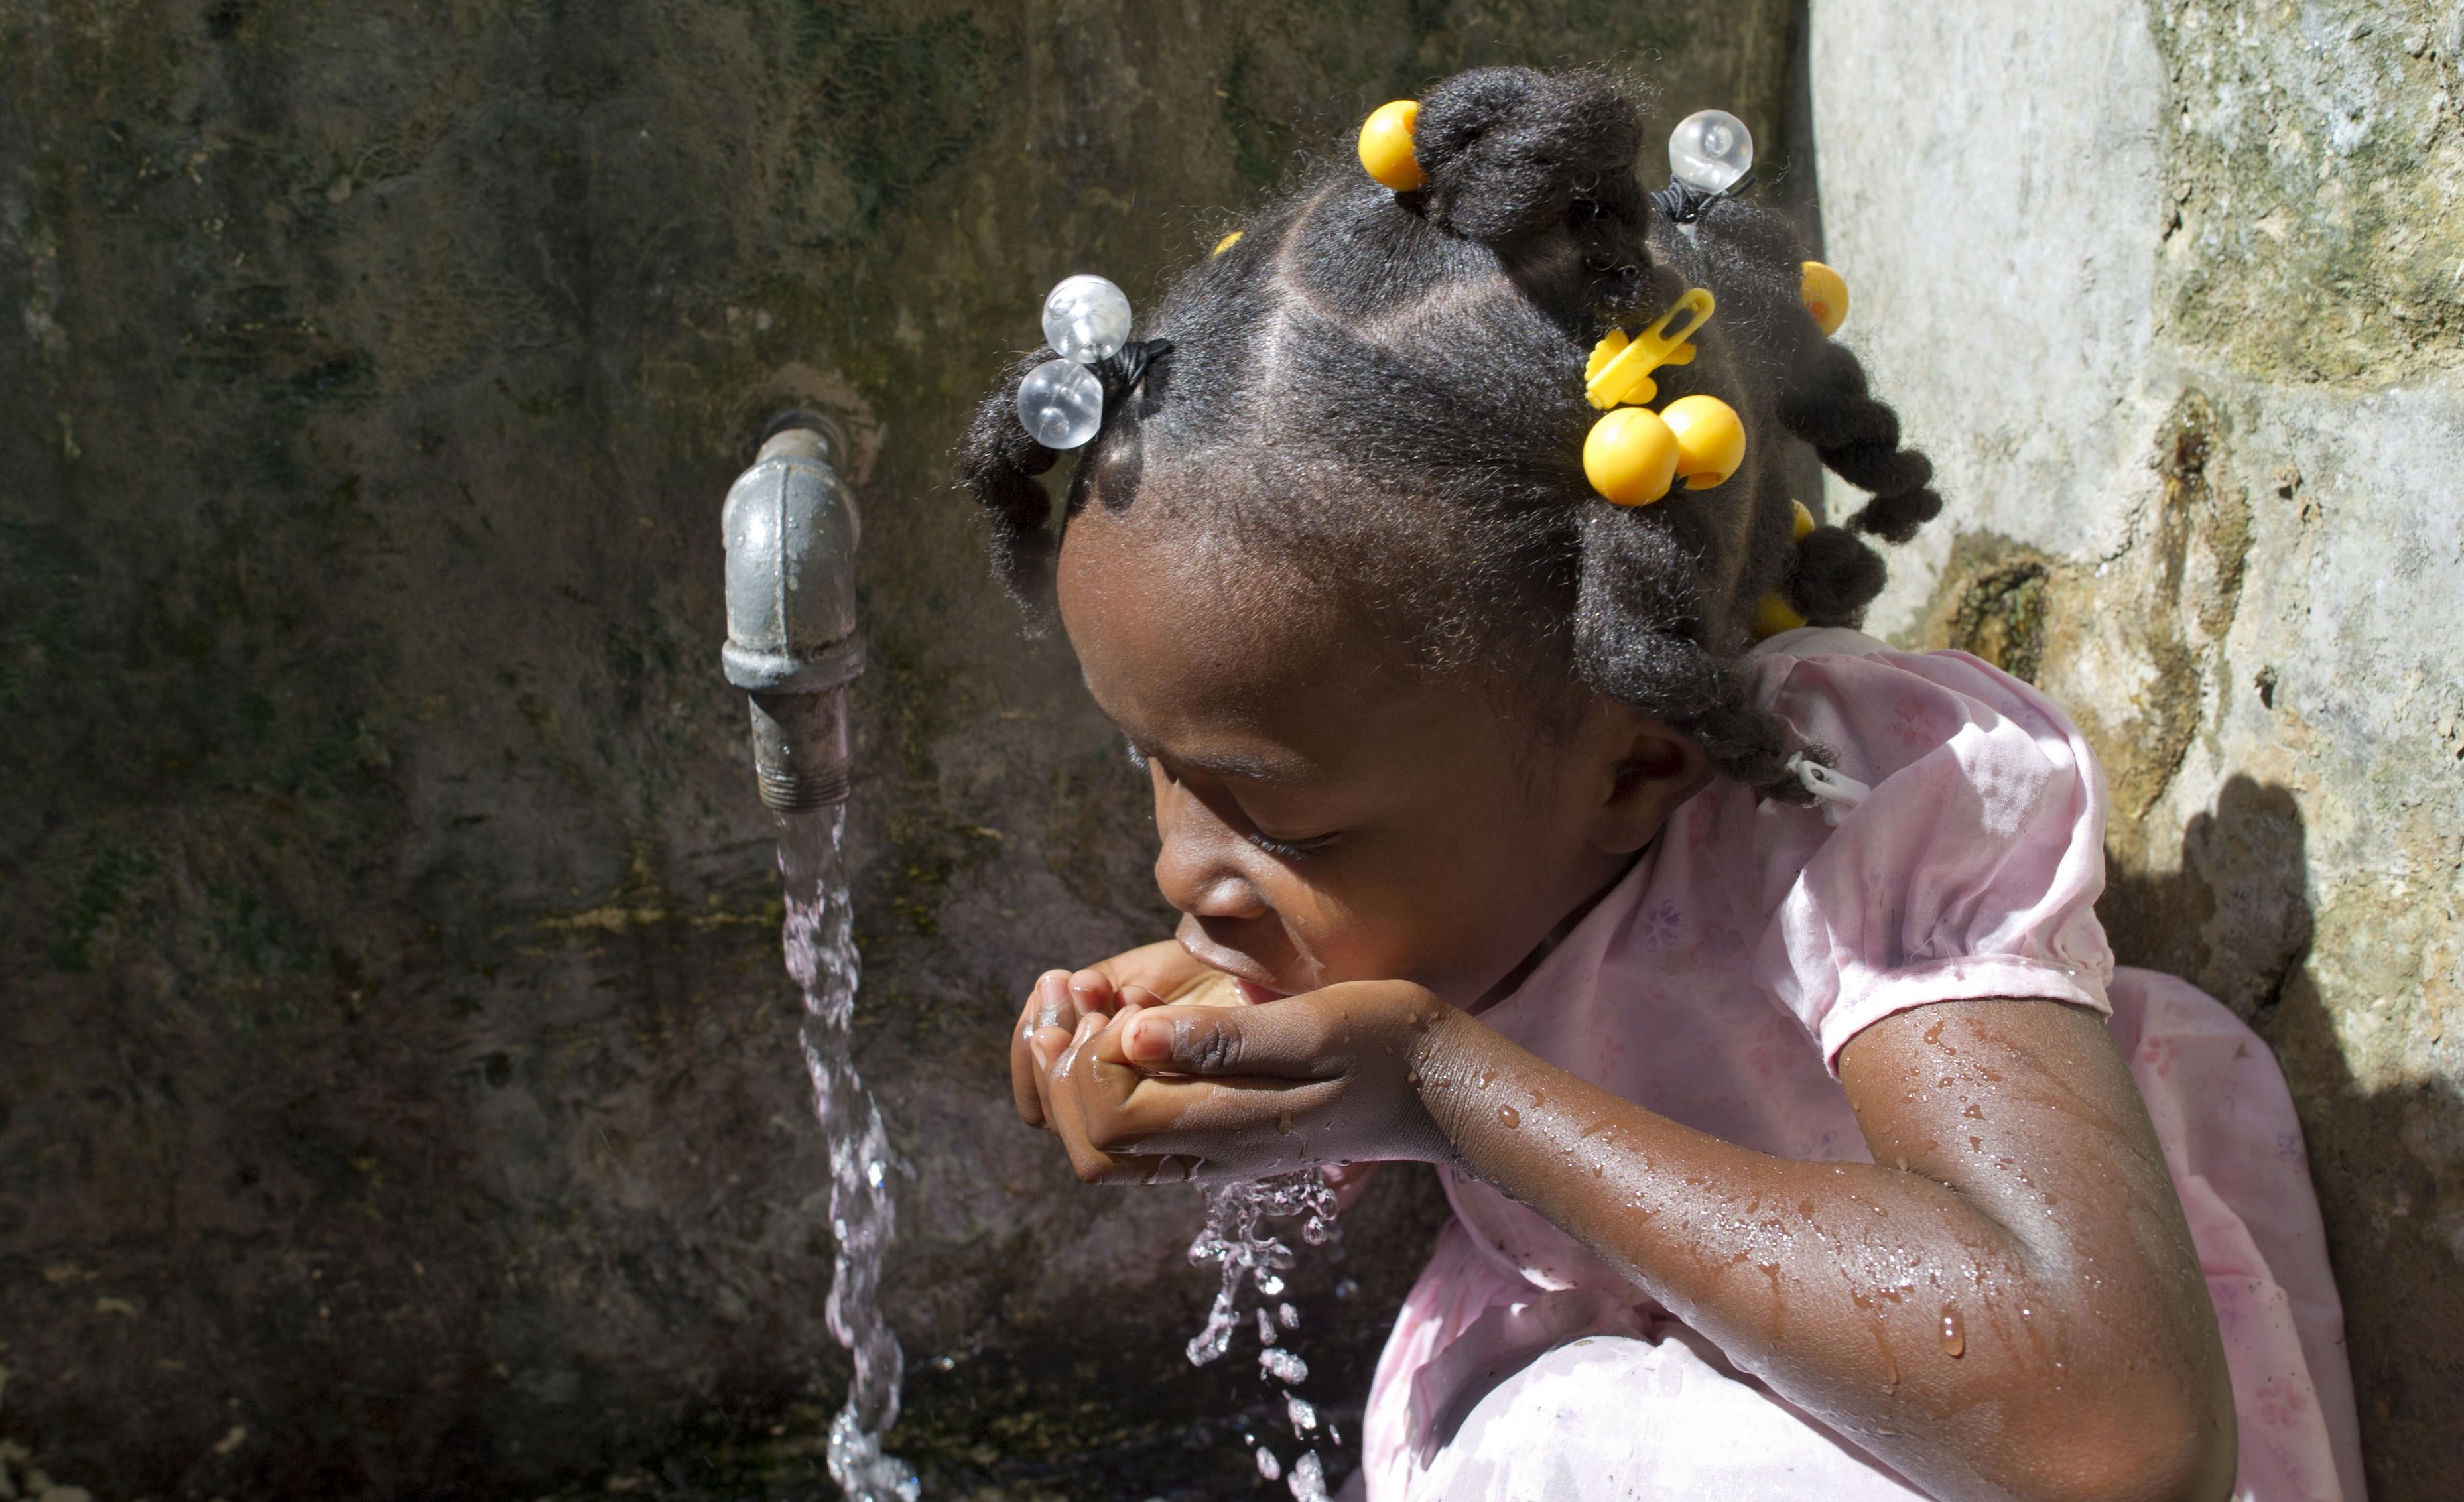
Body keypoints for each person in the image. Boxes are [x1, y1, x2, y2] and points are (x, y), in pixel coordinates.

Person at [955, 65, 2361, 1502]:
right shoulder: (1497, 834)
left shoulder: (1856, 823)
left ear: (1637, 763)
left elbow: (2114, 1435)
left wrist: (1443, 1086)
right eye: (1155, 765)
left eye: (1278, 813)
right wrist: (1257, 1072)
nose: (1181, 867)